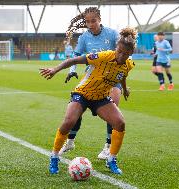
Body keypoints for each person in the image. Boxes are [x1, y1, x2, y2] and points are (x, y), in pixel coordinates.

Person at [40, 28, 136, 175]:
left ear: (131, 54)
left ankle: (111, 159)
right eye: (119, 51)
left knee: (120, 123)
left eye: (125, 53)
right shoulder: (103, 56)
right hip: (83, 93)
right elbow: (75, 60)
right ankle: (54, 156)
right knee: (69, 121)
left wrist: (124, 89)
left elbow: (122, 75)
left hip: (101, 98)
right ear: (116, 47)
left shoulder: (128, 64)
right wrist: (55, 69)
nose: (121, 55)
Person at [60, 7, 123, 160]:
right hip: (92, 79)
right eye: (87, 22)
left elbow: (122, 52)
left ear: (99, 19)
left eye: (93, 21)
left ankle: (108, 147)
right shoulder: (84, 38)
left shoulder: (112, 34)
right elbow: (76, 55)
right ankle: (70, 141)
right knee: (76, 106)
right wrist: (72, 70)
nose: (90, 24)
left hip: (111, 79)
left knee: (113, 107)